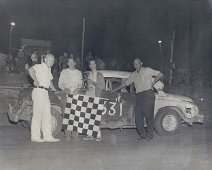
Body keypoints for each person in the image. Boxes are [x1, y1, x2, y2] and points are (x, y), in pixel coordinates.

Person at [112, 58, 163, 141]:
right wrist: (115, 90)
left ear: (141, 63)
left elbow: (160, 74)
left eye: (137, 63)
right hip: (139, 96)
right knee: (138, 117)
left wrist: (153, 83)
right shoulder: (133, 74)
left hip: (148, 94)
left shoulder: (147, 70)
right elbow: (126, 83)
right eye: (134, 63)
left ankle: (150, 136)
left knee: (148, 116)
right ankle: (142, 134)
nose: (135, 65)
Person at [28, 54, 60, 142]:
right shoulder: (39, 66)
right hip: (39, 91)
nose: (52, 62)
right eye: (50, 60)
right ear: (45, 59)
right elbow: (30, 70)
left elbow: (50, 83)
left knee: (47, 115)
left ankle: (48, 136)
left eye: (53, 61)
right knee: (37, 114)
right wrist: (35, 80)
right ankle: (35, 136)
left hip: (46, 93)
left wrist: (56, 92)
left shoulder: (49, 69)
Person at [58, 56, 83, 141]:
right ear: (67, 63)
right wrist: (65, 89)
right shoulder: (63, 72)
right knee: (66, 115)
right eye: (69, 62)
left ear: (75, 63)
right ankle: (67, 134)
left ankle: (75, 134)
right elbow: (60, 84)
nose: (71, 63)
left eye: (72, 62)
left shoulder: (79, 73)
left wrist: (78, 89)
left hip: (76, 95)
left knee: (76, 114)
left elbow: (81, 84)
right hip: (66, 95)